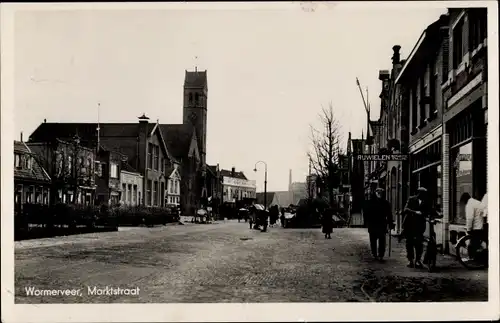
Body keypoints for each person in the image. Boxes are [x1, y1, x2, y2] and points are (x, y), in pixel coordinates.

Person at [402, 187, 431, 269]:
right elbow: (405, 209)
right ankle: (410, 260)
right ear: (418, 193)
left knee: (419, 243)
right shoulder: (411, 199)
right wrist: (415, 212)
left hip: (419, 225)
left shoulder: (426, 201)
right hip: (410, 225)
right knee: (409, 243)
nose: (424, 196)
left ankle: (418, 260)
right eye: (422, 194)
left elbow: (429, 210)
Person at [364, 188, 393, 262]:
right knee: (373, 240)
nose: (379, 194)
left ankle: (381, 255)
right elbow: (366, 213)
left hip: (381, 224)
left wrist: (390, 223)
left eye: (381, 192)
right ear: (375, 193)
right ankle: (374, 254)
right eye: (378, 192)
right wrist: (367, 222)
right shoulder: (370, 202)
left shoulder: (386, 203)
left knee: (382, 240)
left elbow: (389, 214)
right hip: (373, 223)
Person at [460, 192, 486, 260]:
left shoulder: (469, 205)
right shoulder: (476, 202)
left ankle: (472, 259)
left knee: (472, 244)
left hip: (476, 227)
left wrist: (468, 229)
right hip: (481, 225)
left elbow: (470, 218)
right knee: (477, 242)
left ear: (464, 200)